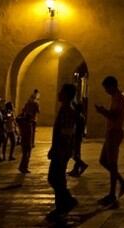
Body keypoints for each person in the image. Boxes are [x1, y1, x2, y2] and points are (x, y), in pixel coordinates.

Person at [95, 76, 124, 207]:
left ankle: (112, 195)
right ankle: (122, 182)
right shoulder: (115, 97)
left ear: (112, 86)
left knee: (112, 163)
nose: (106, 91)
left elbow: (115, 116)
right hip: (111, 132)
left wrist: (102, 111)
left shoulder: (120, 98)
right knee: (103, 161)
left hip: (115, 132)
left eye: (106, 88)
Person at [46, 84, 79, 220]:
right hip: (61, 149)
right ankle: (62, 205)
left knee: (54, 177)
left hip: (61, 150)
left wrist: (58, 149)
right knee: (57, 178)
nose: (58, 93)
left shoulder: (67, 110)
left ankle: (67, 202)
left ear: (66, 94)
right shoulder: (65, 109)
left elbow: (66, 132)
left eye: (61, 91)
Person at [68, 97, 89, 177]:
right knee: (77, 153)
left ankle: (82, 165)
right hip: (78, 137)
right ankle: (76, 169)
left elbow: (75, 128)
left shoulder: (78, 117)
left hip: (76, 137)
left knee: (73, 153)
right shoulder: (81, 117)